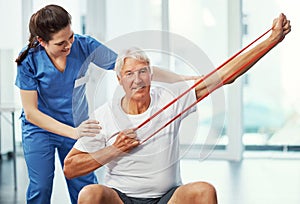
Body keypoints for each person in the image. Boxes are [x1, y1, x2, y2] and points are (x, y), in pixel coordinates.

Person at [63, 13, 291, 204]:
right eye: (130, 74)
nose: (138, 80)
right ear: (119, 79)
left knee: (204, 191)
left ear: (152, 75)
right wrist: (113, 149)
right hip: (121, 198)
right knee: (90, 194)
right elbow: (70, 168)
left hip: (167, 197)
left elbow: (224, 76)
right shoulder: (104, 116)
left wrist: (272, 39)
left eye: (143, 71)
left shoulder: (171, 98)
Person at [14, 4, 194, 204]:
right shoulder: (28, 59)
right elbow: (31, 112)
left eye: (71, 37)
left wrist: (187, 79)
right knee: (41, 187)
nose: (69, 45)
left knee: (84, 187)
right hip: (41, 129)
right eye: (60, 43)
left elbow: (130, 66)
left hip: (78, 124)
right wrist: (73, 133)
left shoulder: (84, 45)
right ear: (42, 41)